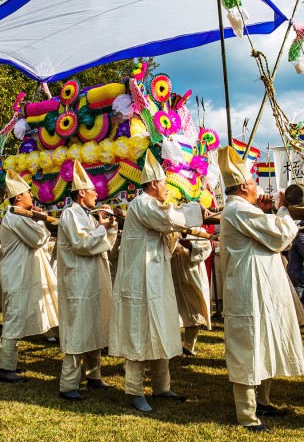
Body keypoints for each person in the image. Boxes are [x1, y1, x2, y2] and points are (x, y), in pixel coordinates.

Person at [218, 146, 304, 432]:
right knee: (248, 346)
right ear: (244, 186)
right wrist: (281, 208)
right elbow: (281, 234)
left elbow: (271, 239)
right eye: (254, 182)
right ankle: (247, 414)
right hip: (249, 289)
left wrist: (267, 211)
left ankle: (264, 402)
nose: (258, 186)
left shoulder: (244, 209)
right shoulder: (237, 209)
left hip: (262, 286)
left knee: (265, 340)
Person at [109, 151, 205, 413]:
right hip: (140, 280)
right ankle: (135, 389)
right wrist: (197, 211)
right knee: (139, 333)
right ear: (153, 184)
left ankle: (162, 386)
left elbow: (168, 230)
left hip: (155, 278)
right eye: (164, 184)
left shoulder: (148, 205)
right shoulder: (142, 203)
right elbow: (167, 220)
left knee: (161, 328)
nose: (166, 190)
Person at [55, 161, 118, 401]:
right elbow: (83, 244)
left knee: (94, 326)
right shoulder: (70, 214)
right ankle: (68, 384)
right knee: (78, 330)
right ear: (81, 192)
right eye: (93, 191)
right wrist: (101, 227)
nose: (96, 195)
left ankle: (94, 376)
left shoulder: (87, 216)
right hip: (78, 282)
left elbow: (102, 244)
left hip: (92, 280)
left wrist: (108, 228)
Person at [0, 169, 60, 382]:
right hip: (17, 274)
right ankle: (5, 368)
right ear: (19, 197)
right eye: (28, 193)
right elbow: (39, 239)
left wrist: (35, 218)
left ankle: (9, 363)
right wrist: (40, 221)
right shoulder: (15, 216)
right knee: (14, 318)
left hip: (20, 273)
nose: (32, 196)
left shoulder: (18, 216)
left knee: (18, 317)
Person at [170, 231, 212, 357]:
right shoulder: (169, 225)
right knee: (172, 308)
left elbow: (206, 248)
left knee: (195, 306)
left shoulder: (199, 230)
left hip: (192, 271)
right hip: (171, 270)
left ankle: (188, 346)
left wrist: (191, 246)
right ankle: (172, 346)